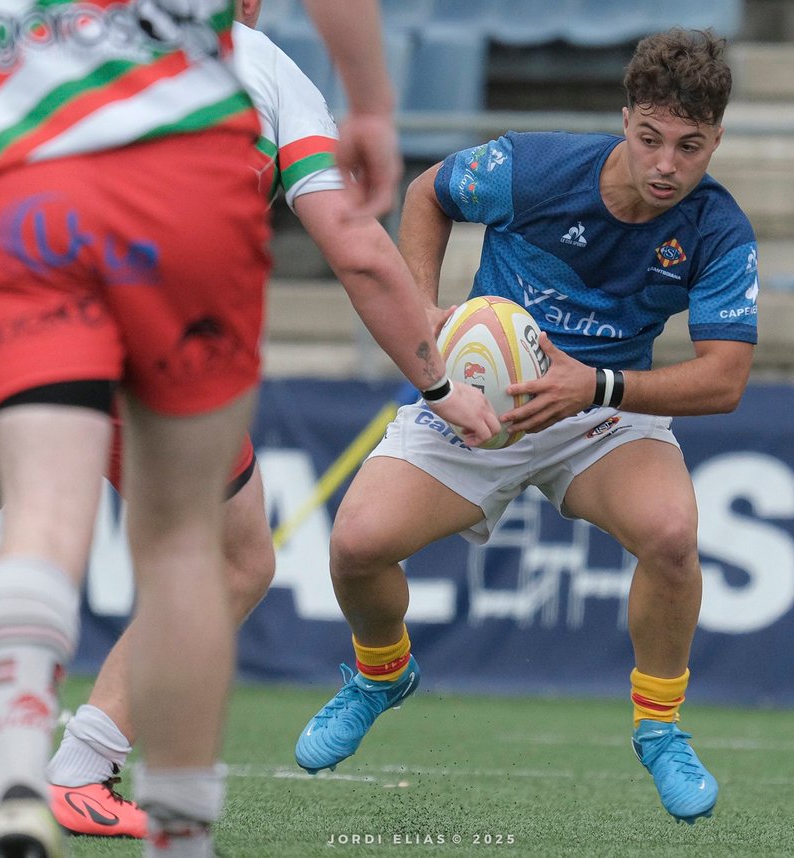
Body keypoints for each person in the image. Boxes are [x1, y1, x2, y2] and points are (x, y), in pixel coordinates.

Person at [0, 0, 497, 852]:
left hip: (3, 310)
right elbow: (357, 252)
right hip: (147, 313)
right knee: (220, 558)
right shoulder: (254, 63)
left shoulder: (53, 34)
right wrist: (437, 384)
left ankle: (38, 769)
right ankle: (94, 778)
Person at [293, 28, 758, 826]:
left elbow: (725, 380)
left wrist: (597, 386)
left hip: (601, 414)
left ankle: (660, 728)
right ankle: (381, 674)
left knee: (672, 536)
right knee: (356, 546)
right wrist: (422, 311)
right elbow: (428, 193)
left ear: (715, 140)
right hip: (481, 402)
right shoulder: (534, 167)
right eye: (650, 138)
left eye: (689, 147)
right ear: (625, 121)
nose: (665, 165)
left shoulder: (718, 229)